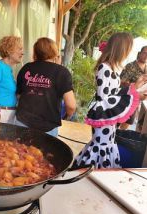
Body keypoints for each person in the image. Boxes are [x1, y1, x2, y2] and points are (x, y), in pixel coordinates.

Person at [73, 33, 147, 169]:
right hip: (103, 115)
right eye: (128, 48)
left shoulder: (112, 68)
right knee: (100, 146)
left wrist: (135, 88)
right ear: (121, 49)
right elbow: (104, 97)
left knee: (106, 145)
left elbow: (113, 93)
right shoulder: (104, 68)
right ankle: (91, 174)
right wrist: (133, 93)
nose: (129, 52)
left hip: (108, 116)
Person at [15, 37, 76, 137]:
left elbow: (19, 95)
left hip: (22, 122)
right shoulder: (62, 72)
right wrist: (67, 117)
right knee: (44, 153)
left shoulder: (26, 68)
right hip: (47, 128)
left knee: (20, 152)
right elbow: (71, 106)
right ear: (54, 52)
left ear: (36, 52)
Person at [119, 46, 147, 130]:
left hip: (137, 102)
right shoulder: (130, 66)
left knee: (128, 123)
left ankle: (119, 138)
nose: (146, 55)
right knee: (118, 122)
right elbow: (121, 82)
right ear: (140, 53)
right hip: (125, 100)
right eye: (145, 53)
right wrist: (135, 85)